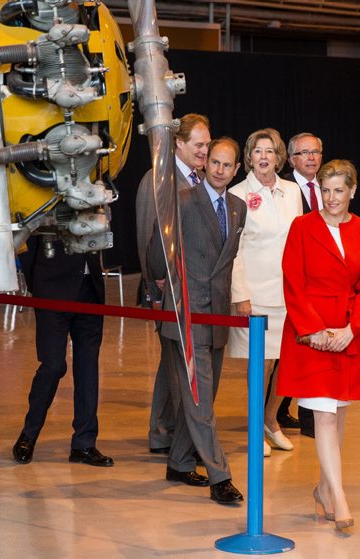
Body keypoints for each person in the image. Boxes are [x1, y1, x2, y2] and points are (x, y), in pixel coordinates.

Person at [277, 159, 360, 531]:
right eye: (326, 190)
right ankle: (339, 497)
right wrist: (314, 330)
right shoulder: (302, 227)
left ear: (353, 190)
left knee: (338, 417)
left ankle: (322, 488)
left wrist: (352, 329)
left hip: (347, 333)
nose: (332, 198)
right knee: (322, 415)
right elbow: (293, 280)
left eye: (339, 190)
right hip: (311, 335)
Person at [147, 138, 247, 504]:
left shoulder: (238, 208)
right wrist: (162, 280)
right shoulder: (184, 200)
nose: (219, 170)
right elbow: (157, 251)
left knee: (202, 399)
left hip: (216, 319)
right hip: (185, 319)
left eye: (227, 165)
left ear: (237, 170)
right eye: (214, 163)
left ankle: (179, 461)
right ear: (207, 165)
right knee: (201, 401)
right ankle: (221, 476)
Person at [136, 113, 211, 454]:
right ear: (178, 144)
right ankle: (173, 436)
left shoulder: (196, 180)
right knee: (178, 365)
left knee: (174, 365)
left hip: (190, 290)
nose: (205, 151)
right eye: (199, 144)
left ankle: (163, 432)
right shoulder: (159, 180)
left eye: (207, 145)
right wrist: (156, 288)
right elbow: (147, 238)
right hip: (167, 292)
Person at [227, 128, 302, 457]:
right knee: (263, 364)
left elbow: (300, 240)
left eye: (270, 151)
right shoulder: (238, 193)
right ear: (249, 156)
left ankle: (271, 420)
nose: (264, 157)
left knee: (288, 363)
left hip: (289, 290)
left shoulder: (292, 190)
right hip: (255, 293)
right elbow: (234, 250)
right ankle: (257, 425)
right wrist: (239, 293)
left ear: (279, 157)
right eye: (257, 151)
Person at [12, 237, 112, 467]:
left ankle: (84, 443)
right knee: (53, 365)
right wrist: (39, 285)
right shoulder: (45, 199)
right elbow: (27, 243)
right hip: (52, 289)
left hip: (91, 289)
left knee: (88, 369)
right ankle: (29, 434)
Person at [277, 132, 325, 437]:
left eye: (315, 152)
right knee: (290, 351)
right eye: (304, 153)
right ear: (292, 159)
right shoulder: (286, 188)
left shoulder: (328, 185)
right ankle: (278, 412)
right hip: (294, 278)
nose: (311, 158)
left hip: (322, 281)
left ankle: (301, 416)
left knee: (314, 351)